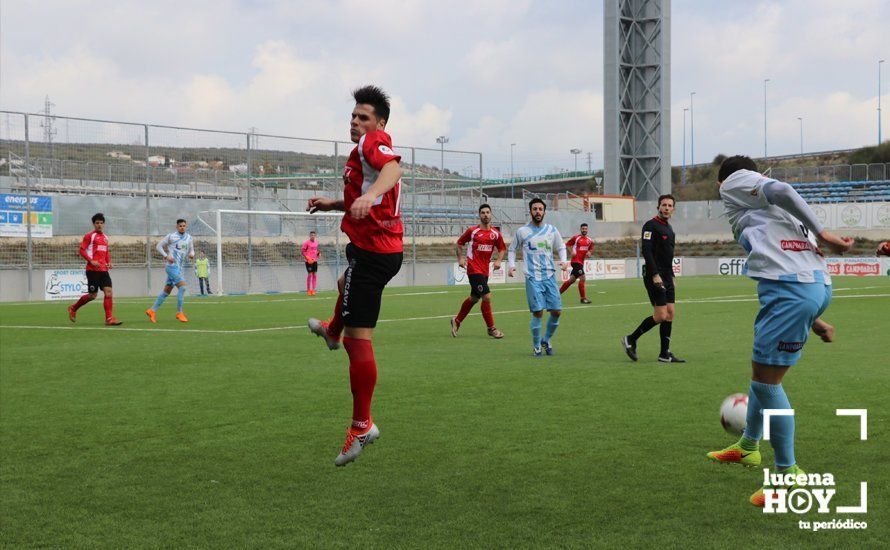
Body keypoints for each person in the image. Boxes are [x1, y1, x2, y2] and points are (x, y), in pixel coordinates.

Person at [705, 155, 853, 507]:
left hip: (793, 291)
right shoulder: (769, 213)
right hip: (804, 289)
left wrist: (823, 233)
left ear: (720, 183)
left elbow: (782, 187)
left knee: (767, 384)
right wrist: (814, 318)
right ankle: (748, 447)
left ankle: (787, 474)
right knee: (761, 374)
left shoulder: (735, 184)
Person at [306, 85, 404, 467]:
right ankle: (332, 331)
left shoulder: (372, 144)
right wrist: (337, 202)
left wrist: (373, 195)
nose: (355, 122)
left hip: (374, 253)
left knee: (358, 342)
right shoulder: (361, 153)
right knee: (344, 285)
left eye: (363, 117)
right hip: (375, 251)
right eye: (353, 116)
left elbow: (393, 170)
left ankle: (362, 427)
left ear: (378, 123)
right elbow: (362, 190)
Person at [621, 195, 685, 363]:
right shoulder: (650, 225)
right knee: (661, 315)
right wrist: (655, 274)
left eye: (670, 205)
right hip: (654, 275)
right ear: (658, 207)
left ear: (673, 209)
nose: (666, 208)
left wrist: (671, 276)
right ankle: (631, 339)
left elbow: (668, 256)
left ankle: (665, 353)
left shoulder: (670, 229)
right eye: (663, 205)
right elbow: (647, 251)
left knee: (670, 313)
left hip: (667, 275)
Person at [508, 198, 567, 357]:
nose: (538, 212)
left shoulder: (552, 230)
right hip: (532, 277)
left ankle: (546, 340)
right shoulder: (522, 232)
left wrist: (563, 261)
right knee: (538, 313)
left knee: (557, 311)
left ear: (544, 212)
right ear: (530, 211)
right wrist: (511, 265)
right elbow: (512, 249)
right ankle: (536, 347)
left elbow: (561, 247)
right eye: (535, 209)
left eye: (540, 209)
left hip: (549, 275)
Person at [450, 204, 507, 339]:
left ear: (491, 214)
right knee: (486, 296)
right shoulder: (472, 231)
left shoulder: (495, 234)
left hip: (484, 271)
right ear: (479, 215)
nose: (485, 215)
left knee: (474, 298)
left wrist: (498, 260)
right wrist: (460, 259)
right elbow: (459, 243)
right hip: (473, 269)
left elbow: (502, 248)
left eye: (487, 212)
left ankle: (456, 321)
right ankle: (491, 328)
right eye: (483, 213)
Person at [67, 213, 122, 326]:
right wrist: (91, 261)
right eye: (97, 223)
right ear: (93, 224)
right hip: (92, 271)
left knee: (109, 292)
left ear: (104, 224)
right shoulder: (89, 236)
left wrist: (108, 262)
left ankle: (109, 319)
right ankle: (73, 308)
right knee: (92, 295)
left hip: (103, 271)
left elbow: (106, 252)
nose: (99, 225)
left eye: (101, 223)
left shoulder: (105, 238)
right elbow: (82, 250)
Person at [146, 219, 195, 323]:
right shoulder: (171, 236)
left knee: (166, 291)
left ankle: (152, 310)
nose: (182, 227)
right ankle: (179, 313)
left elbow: (191, 249)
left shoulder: (189, 238)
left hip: (179, 268)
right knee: (182, 287)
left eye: (184, 226)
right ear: (177, 227)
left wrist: (192, 254)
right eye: (180, 226)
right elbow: (158, 246)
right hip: (171, 267)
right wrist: (166, 256)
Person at [559, 223, 594, 304]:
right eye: (583, 229)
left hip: (581, 263)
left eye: (585, 229)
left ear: (587, 229)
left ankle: (556, 294)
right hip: (575, 261)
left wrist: (589, 252)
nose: (584, 230)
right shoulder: (576, 238)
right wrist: (572, 251)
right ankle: (583, 298)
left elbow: (591, 248)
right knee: (583, 278)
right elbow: (567, 245)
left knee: (571, 280)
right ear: (580, 229)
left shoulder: (589, 240)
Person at [301, 231, 322, 296]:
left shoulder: (316, 242)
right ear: (310, 236)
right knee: (310, 275)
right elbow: (302, 251)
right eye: (311, 235)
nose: (313, 236)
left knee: (314, 275)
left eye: (314, 235)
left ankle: (313, 290)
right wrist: (307, 257)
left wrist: (318, 254)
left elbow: (317, 250)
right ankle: (308, 290)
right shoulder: (306, 243)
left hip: (315, 261)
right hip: (308, 261)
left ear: (315, 236)